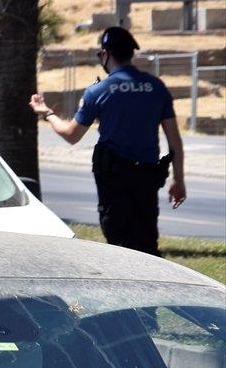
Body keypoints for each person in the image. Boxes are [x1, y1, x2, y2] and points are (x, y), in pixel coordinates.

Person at [30, 27, 186, 255]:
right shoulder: (156, 87)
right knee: (147, 243)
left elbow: (71, 135)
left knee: (118, 245)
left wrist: (46, 112)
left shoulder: (99, 91)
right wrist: (178, 180)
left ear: (106, 55)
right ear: (131, 54)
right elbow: (175, 142)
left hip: (115, 181)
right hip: (147, 179)